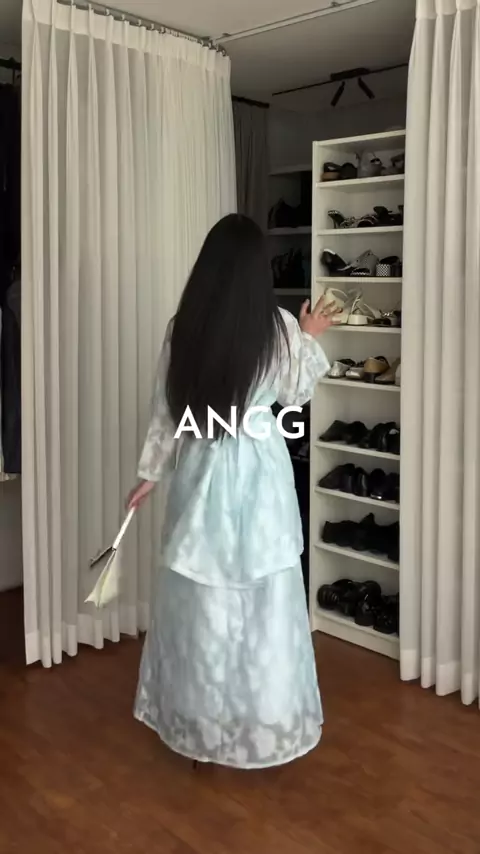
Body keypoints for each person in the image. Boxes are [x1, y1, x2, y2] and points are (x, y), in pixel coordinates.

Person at [128, 214, 335, 769]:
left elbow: (168, 412)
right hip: (261, 477)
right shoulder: (279, 328)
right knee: (264, 601)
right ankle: (261, 723)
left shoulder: (185, 327)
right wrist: (310, 336)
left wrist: (151, 473)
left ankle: (198, 723)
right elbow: (295, 394)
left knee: (204, 601)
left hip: (203, 473)